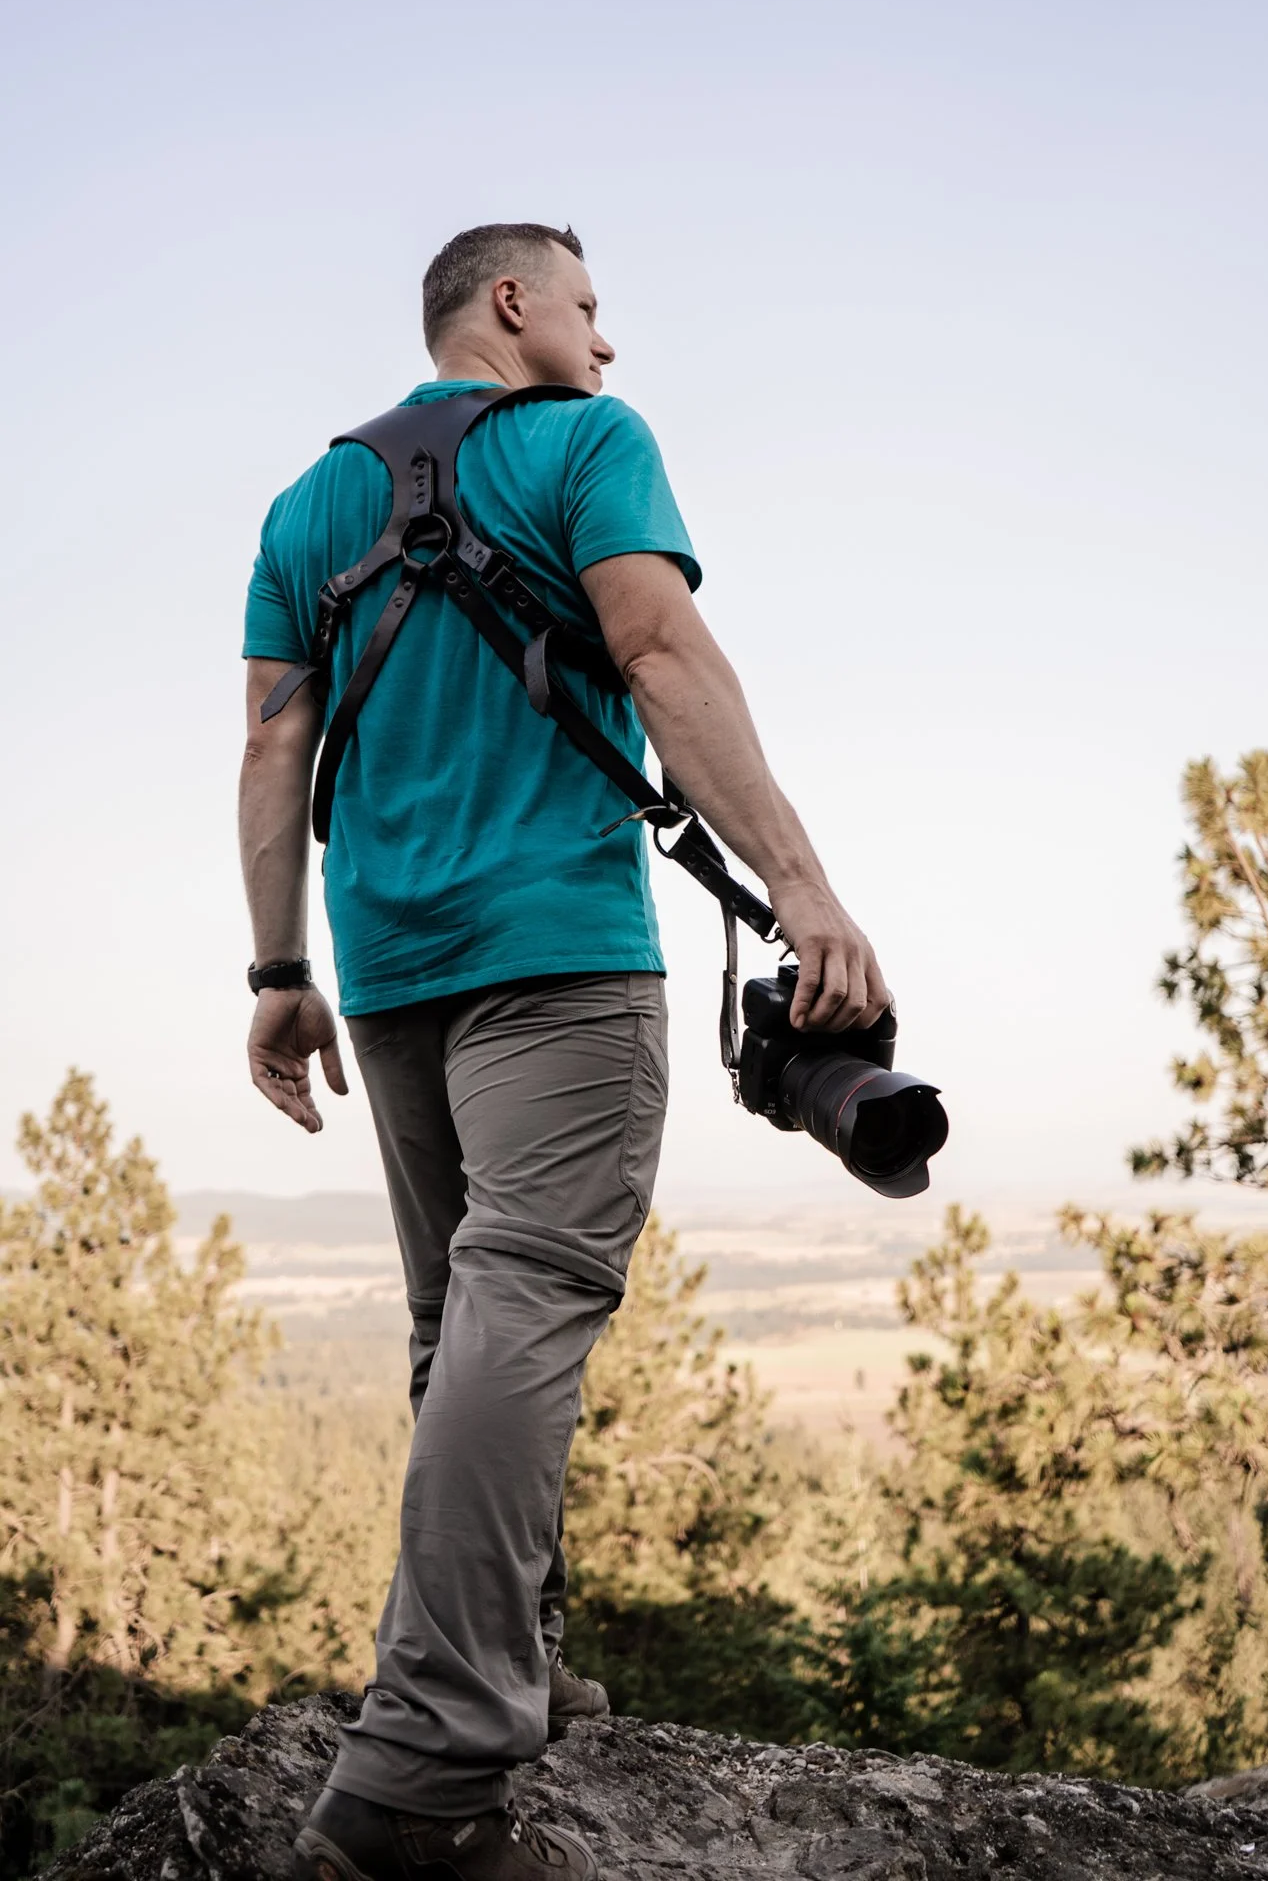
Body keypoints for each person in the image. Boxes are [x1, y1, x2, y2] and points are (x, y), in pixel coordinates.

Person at [239, 223, 889, 1881]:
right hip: (555, 954)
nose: (610, 349)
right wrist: (803, 887)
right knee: (529, 1299)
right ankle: (434, 1758)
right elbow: (662, 652)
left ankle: (497, 1667)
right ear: (512, 305)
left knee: (464, 1313)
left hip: (389, 969)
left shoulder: (307, 503)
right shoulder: (590, 444)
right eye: (592, 310)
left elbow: (272, 742)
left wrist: (276, 969)